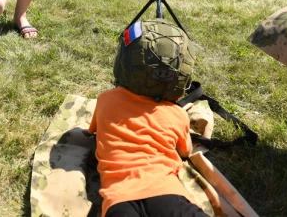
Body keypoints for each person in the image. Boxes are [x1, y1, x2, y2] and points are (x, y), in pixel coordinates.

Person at [88, 19, 209, 217]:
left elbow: (93, 132)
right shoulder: (177, 114)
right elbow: (185, 151)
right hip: (168, 192)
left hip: (119, 196)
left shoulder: (105, 100)